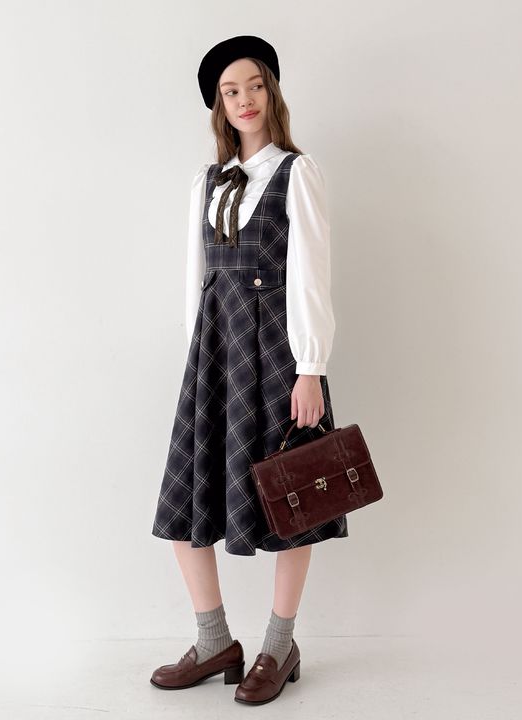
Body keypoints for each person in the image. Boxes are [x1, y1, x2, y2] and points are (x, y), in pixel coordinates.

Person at [149, 35, 348, 705]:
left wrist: (311, 366)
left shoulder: (297, 171)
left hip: (279, 356)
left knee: (293, 498)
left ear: (271, 91)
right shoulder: (206, 183)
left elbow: (311, 276)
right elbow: (196, 281)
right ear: (219, 105)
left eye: (254, 86)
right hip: (215, 356)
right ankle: (214, 642)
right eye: (230, 91)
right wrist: (197, 358)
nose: (244, 100)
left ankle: (278, 645)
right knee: (185, 502)